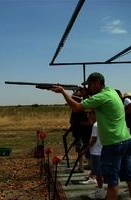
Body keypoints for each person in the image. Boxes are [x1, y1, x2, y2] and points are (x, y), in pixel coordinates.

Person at [49, 72, 131, 200]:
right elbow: (90, 108)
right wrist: (83, 95)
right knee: (129, 177)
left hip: (113, 142)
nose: (88, 88)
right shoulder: (112, 92)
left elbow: (76, 108)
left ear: (97, 82)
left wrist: (63, 93)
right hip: (125, 139)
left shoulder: (101, 96)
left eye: (89, 85)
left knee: (112, 182)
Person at [80, 114, 105, 199]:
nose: (89, 117)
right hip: (103, 149)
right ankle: (101, 189)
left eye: (90, 115)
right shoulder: (104, 123)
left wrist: (85, 149)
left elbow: (93, 140)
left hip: (96, 151)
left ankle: (100, 191)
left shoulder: (95, 125)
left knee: (98, 173)